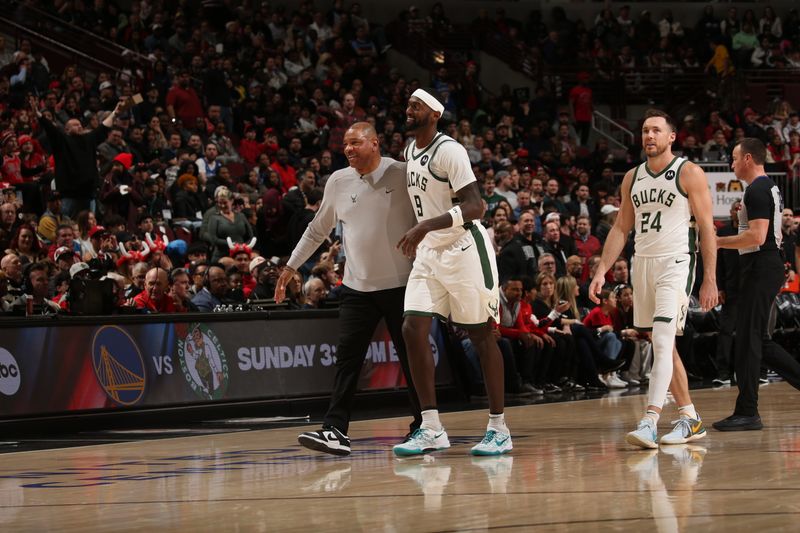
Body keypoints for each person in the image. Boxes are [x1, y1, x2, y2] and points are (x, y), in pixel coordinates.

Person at [275, 122, 421, 456]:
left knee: (413, 360)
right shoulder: (338, 181)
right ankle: (335, 430)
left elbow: (427, 217)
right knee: (347, 361)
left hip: (402, 285)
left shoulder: (402, 174)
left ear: (375, 143)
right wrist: (291, 266)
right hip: (357, 287)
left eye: (355, 143)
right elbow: (316, 230)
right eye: (345, 144)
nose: (348, 149)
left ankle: (424, 425)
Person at [589, 108, 718, 449]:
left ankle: (649, 420)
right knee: (664, 344)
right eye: (645, 130)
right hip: (642, 263)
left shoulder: (688, 172)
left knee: (661, 341)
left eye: (656, 131)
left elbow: (706, 228)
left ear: (671, 136)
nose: (649, 136)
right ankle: (689, 418)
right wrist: (602, 269)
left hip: (676, 262)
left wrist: (710, 279)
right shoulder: (632, 176)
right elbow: (620, 227)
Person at [393, 89, 510, 457]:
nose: (408, 111)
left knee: (481, 336)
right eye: (408, 105)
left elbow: (476, 206)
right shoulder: (410, 151)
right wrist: (424, 231)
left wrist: (426, 225)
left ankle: (498, 427)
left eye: (416, 107)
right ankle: (430, 427)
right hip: (430, 253)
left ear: (434, 115)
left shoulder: (451, 151)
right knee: (412, 327)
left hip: (464, 250)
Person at [713, 138, 800, 431]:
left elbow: (757, 237)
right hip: (761, 266)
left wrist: (716, 242)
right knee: (755, 339)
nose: (732, 163)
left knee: (750, 340)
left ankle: (748, 411)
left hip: (762, 264)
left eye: (734, 158)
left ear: (748, 158)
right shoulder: (763, 187)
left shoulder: (758, 189)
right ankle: (747, 409)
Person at [30, 95, 131, 218]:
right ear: (66, 129)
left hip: (89, 195)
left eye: (80, 124)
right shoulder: (62, 140)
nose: (79, 126)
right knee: (67, 225)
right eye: (75, 124)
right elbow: (50, 128)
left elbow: (103, 127)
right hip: (69, 195)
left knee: (89, 227)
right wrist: (37, 113)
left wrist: (115, 113)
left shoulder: (89, 139)